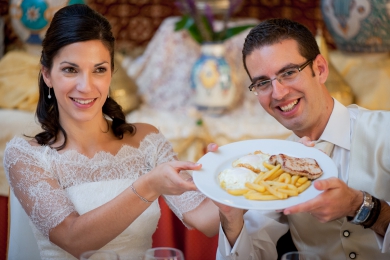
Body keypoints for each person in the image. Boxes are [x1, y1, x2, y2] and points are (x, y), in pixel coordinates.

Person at [3, 4, 219, 260]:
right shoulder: (25, 156)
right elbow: (75, 240)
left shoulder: (146, 140)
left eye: (99, 69)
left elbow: (205, 220)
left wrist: (241, 179)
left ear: (111, 74)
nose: (86, 86)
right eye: (70, 69)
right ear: (47, 74)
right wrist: (148, 186)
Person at [211, 18, 390, 259]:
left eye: (289, 72)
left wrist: (359, 207)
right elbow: (252, 253)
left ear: (320, 69)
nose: (278, 93)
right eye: (262, 83)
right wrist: (231, 218)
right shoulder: (274, 164)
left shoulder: (385, 131)